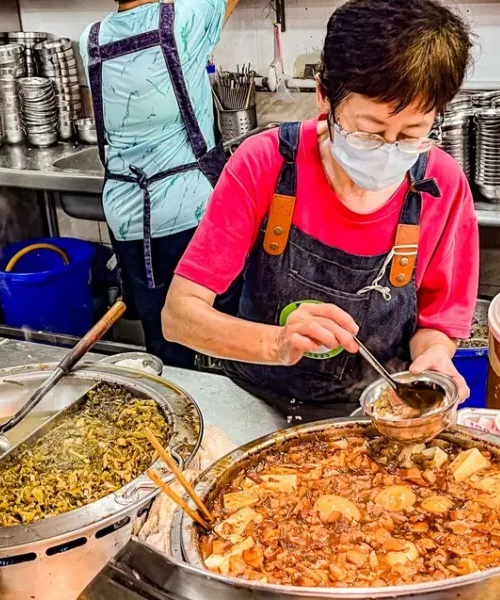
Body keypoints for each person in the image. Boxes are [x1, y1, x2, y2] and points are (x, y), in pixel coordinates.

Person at [162, 0, 479, 421]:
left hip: (375, 415)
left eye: (411, 134)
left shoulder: (442, 185)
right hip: (254, 401)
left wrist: (435, 357)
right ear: (324, 95)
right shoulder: (266, 164)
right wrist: (277, 344)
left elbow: (437, 324)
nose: (388, 149)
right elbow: (179, 316)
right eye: (368, 131)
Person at [79, 0, 240, 369]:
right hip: (190, 211)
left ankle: (175, 407)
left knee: (164, 335)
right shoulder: (184, 15)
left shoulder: (89, 37)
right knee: (216, 336)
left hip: (127, 212)